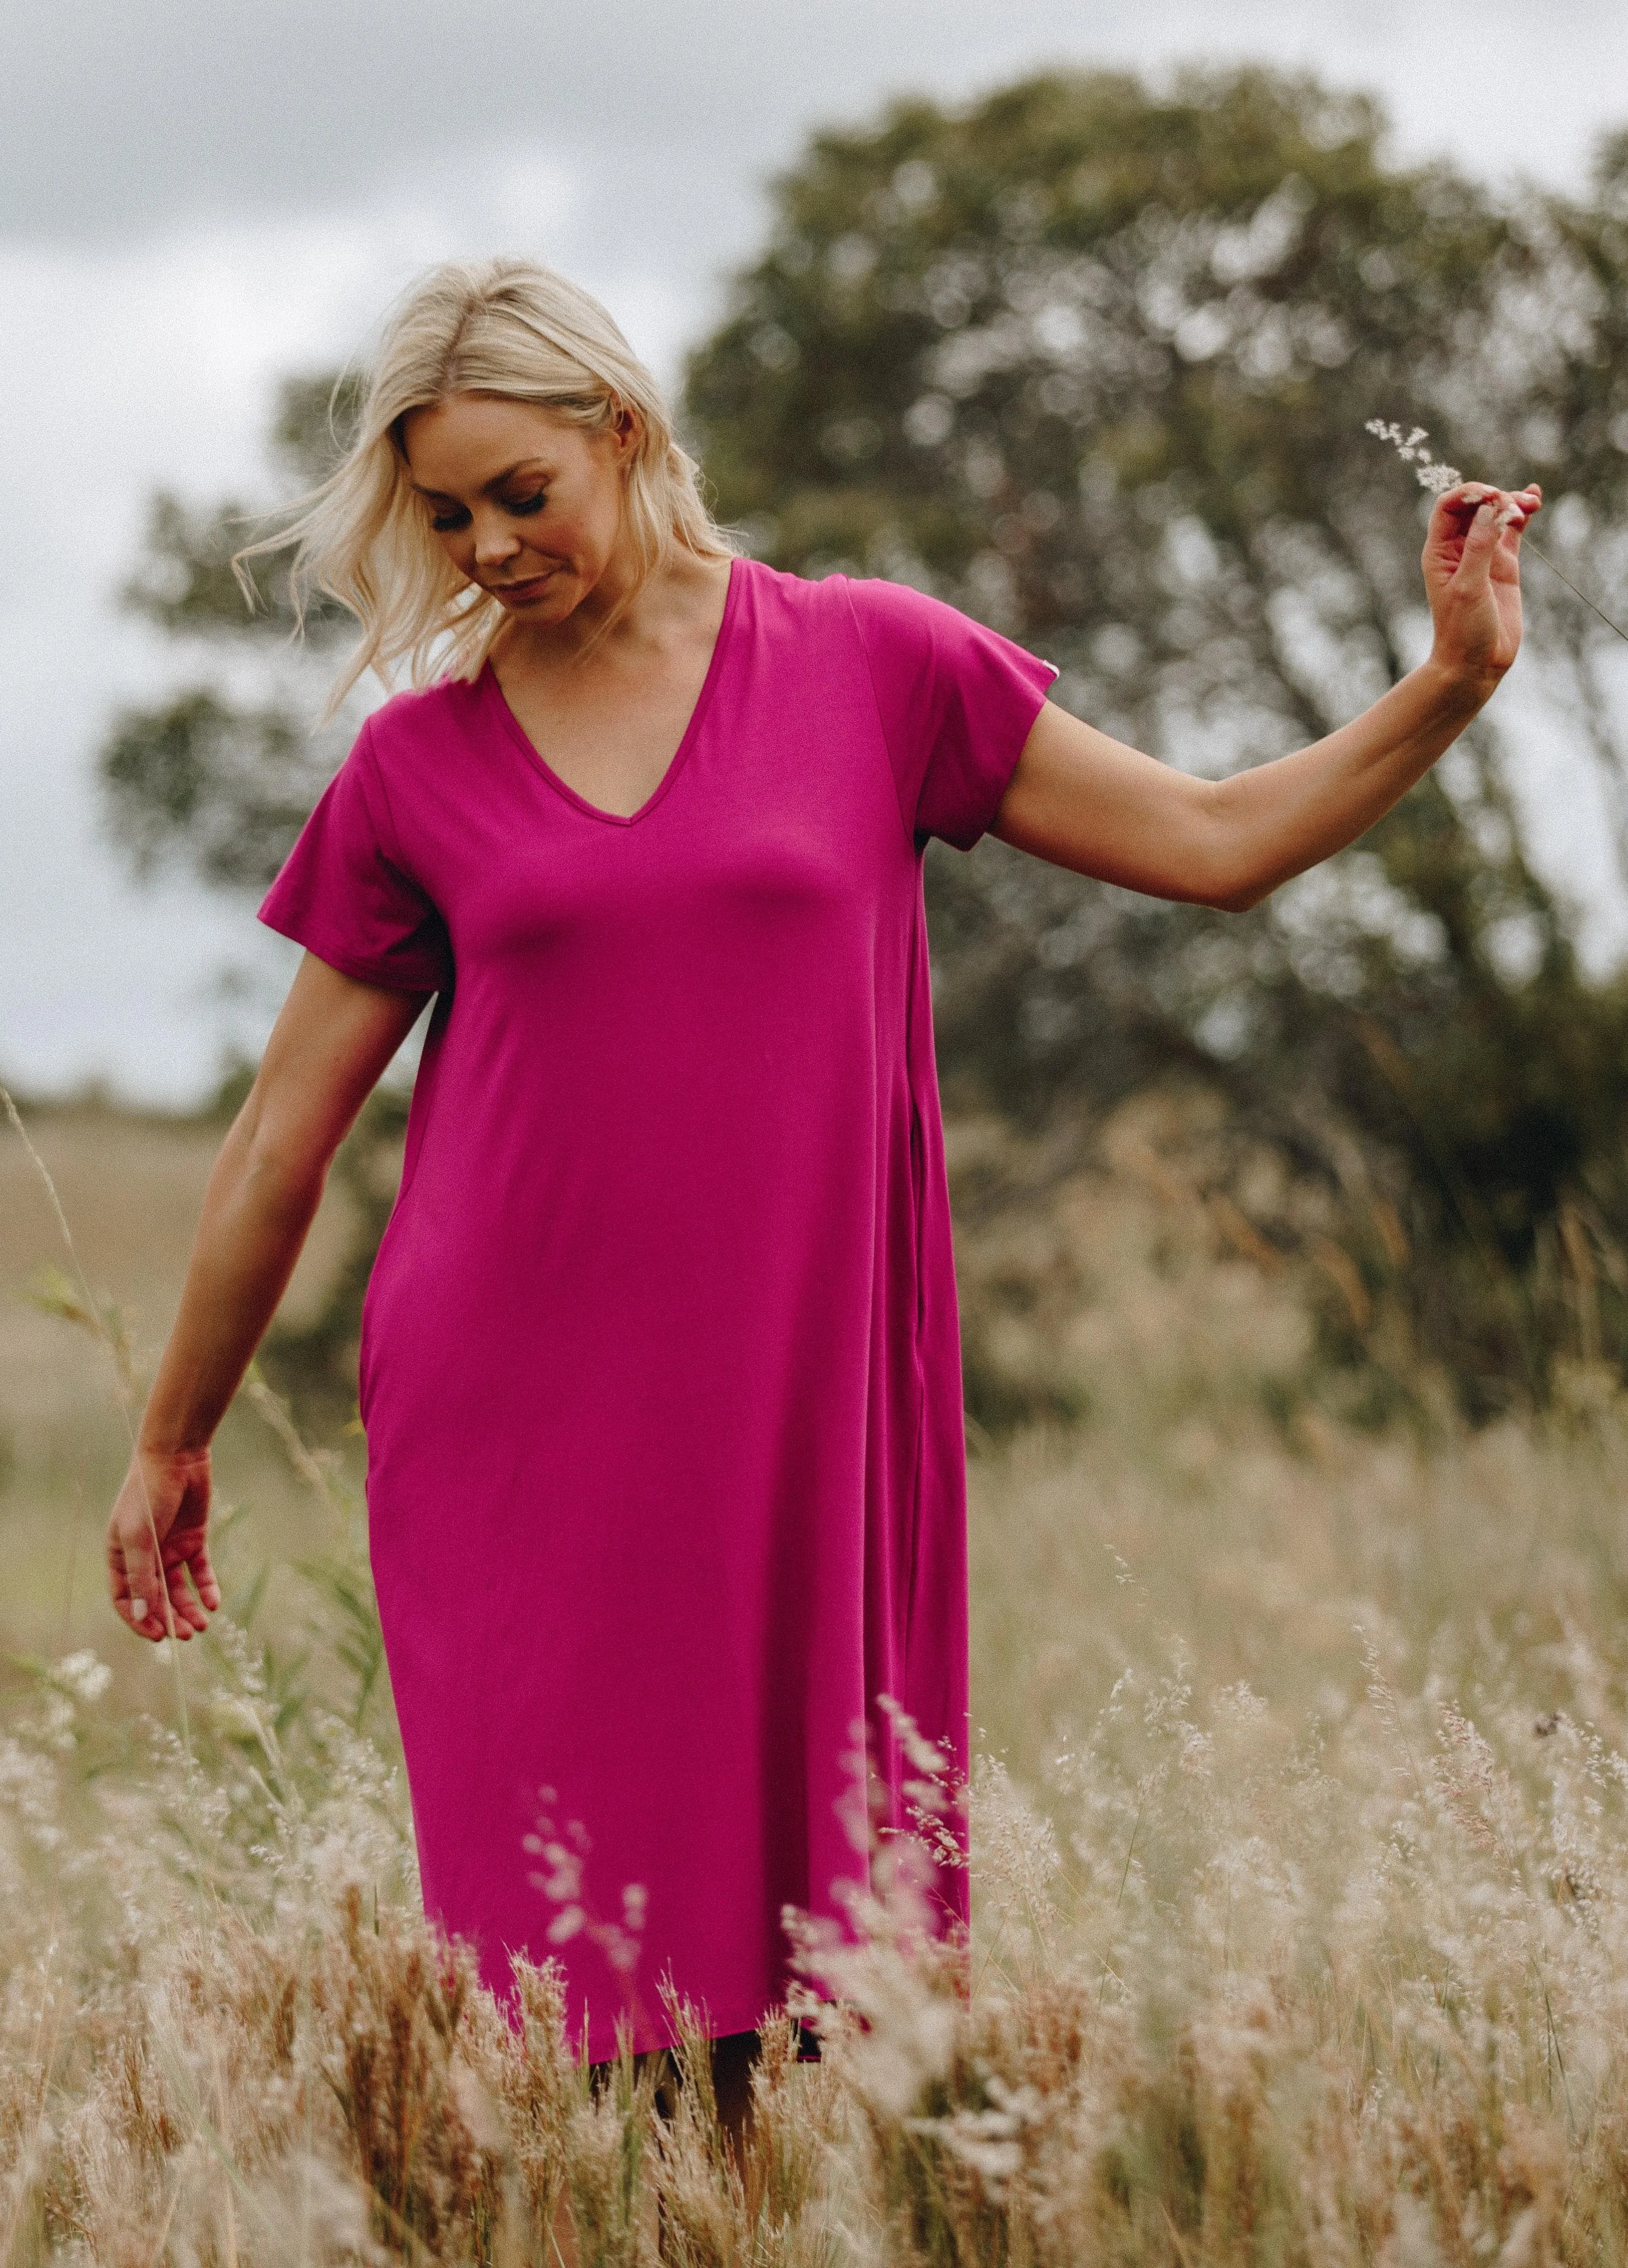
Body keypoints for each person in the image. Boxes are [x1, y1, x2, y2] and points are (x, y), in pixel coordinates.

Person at [104, 256, 1540, 2142]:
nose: (485, 546)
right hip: (513, 1414)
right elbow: (282, 1138)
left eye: (517, 494)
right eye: (443, 516)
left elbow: (1209, 846)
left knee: (820, 1984)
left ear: (621, 434)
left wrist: (1448, 682)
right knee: (572, 1985)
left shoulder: (869, 663)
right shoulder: (413, 771)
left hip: (797, 1399)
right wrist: (172, 1434)